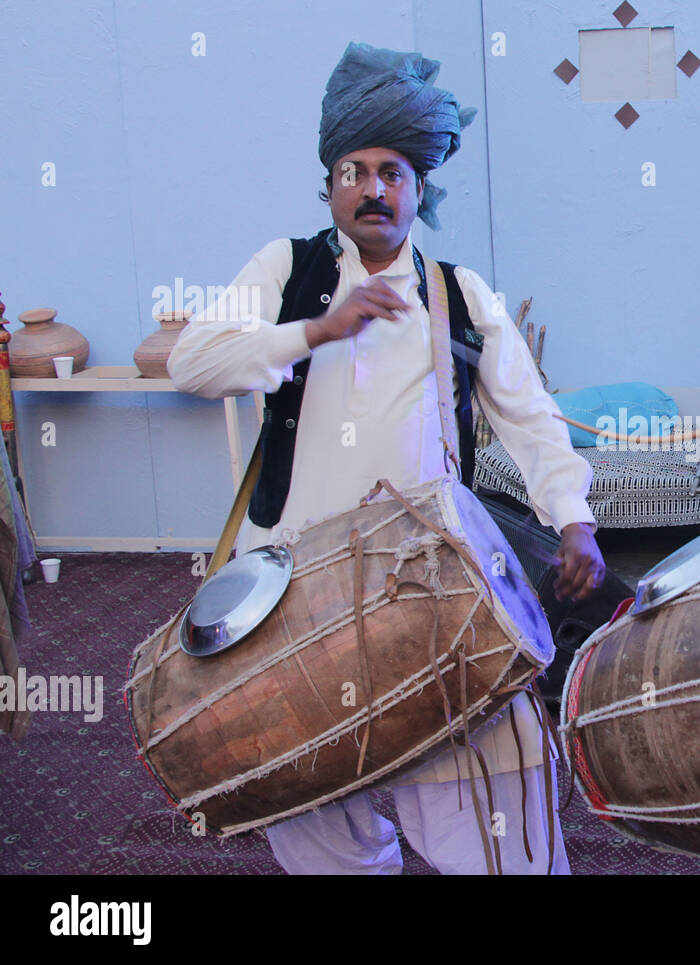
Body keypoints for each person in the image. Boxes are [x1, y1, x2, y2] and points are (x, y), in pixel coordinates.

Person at [168, 42, 605, 874]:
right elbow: (194, 362)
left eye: (393, 172)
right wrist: (315, 331)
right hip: (293, 604)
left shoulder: (458, 291)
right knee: (318, 822)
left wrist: (575, 519)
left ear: (418, 189)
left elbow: (533, 419)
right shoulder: (285, 271)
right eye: (355, 170)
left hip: (437, 593)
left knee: (498, 821)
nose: (373, 188)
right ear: (331, 184)